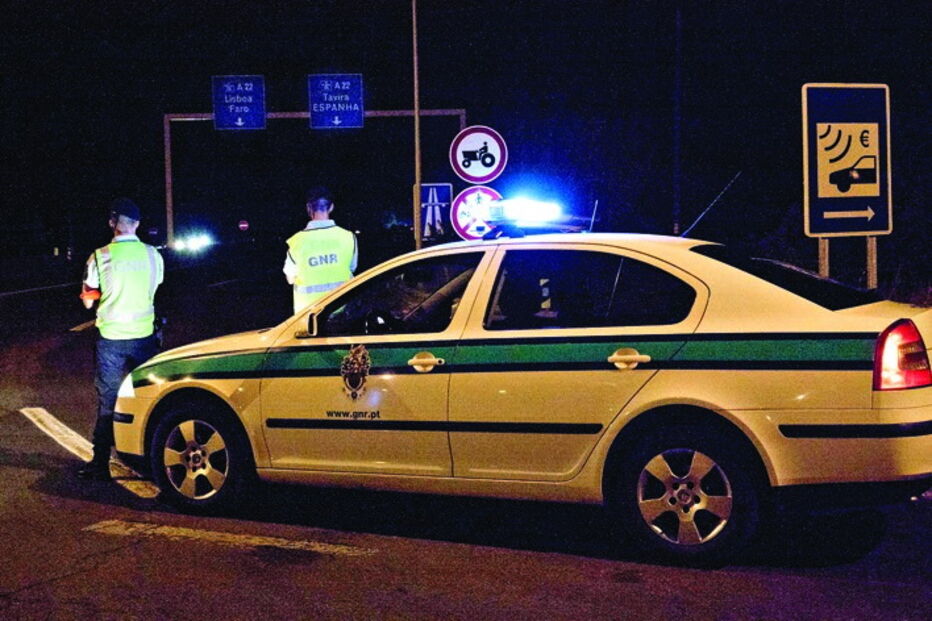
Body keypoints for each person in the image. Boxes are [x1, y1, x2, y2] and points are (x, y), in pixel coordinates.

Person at [78, 198, 164, 480]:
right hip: (144, 338)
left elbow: (89, 302)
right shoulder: (153, 255)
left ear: (112, 223)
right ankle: (154, 461)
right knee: (150, 397)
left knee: (109, 399)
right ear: (137, 224)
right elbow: (155, 287)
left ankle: (100, 463)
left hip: (112, 339)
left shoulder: (100, 256)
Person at [283, 186, 358, 314]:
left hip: (309, 318)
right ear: (331, 207)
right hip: (343, 314)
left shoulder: (297, 241)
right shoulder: (348, 237)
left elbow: (290, 278)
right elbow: (352, 268)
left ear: (308, 208)